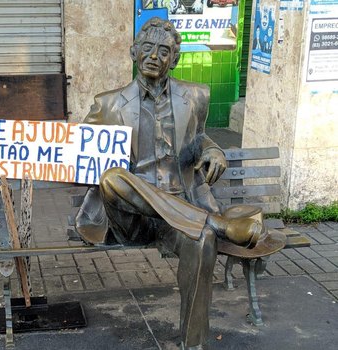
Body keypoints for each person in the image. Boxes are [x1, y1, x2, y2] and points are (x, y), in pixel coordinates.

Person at [75, 17, 263, 349]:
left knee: (202, 240)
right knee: (112, 179)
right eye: (147, 48)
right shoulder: (107, 104)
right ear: (134, 52)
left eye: (164, 51)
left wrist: (215, 150)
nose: (154, 57)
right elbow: (77, 157)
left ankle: (193, 345)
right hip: (132, 218)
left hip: (179, 210)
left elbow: (200, 138)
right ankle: (218, 223)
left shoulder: (194, 96)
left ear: (174, 59)